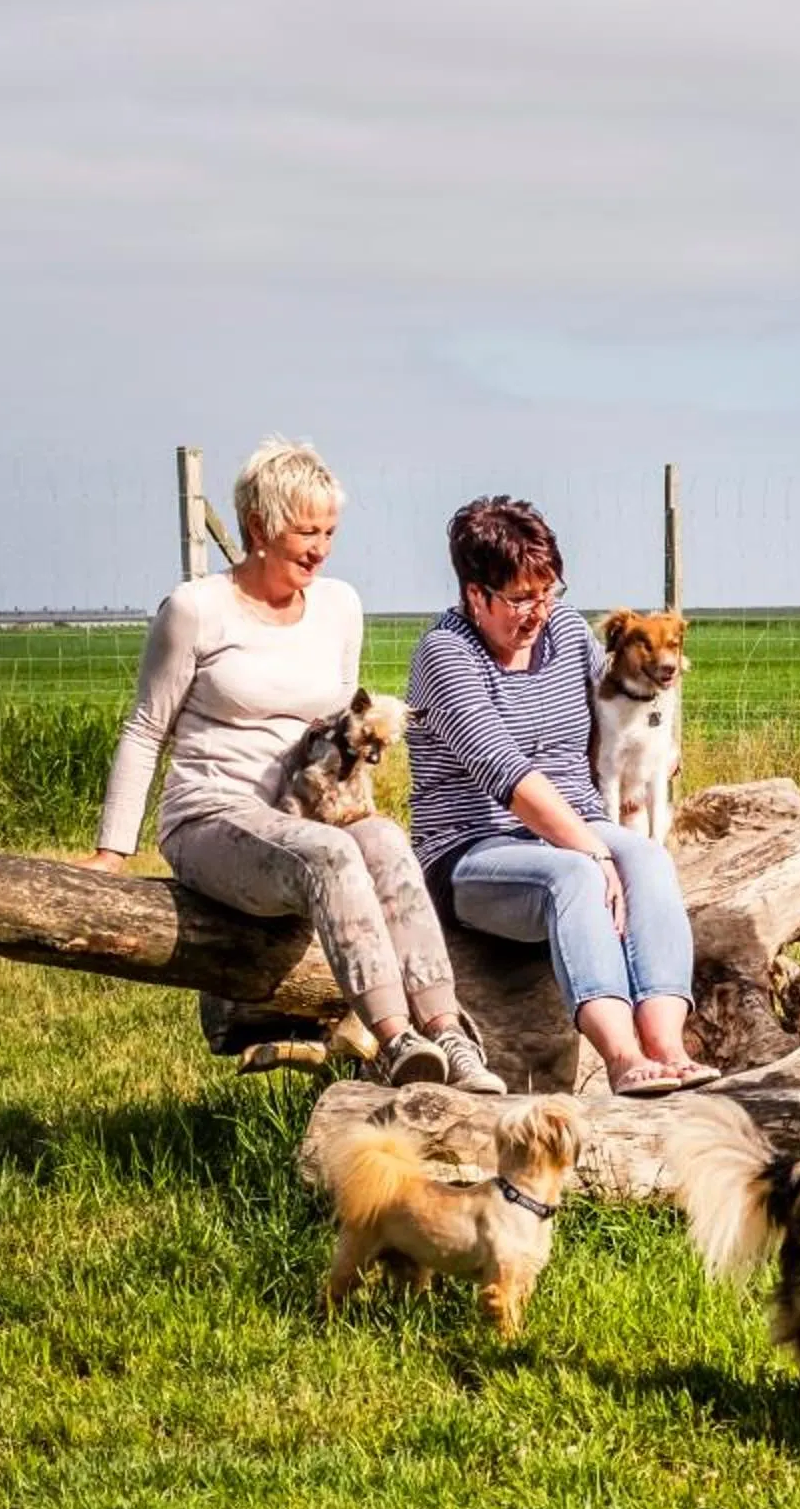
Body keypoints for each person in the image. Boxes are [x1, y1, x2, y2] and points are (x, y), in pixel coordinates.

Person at [80, 438, 499, 1093]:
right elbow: (143, 730)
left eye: (329, 531)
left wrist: (358, 792)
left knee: (386, 840)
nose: (320, 547)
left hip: (308, 809)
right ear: (259, 528)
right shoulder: (194, 610)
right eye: (305, 530)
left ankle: (448, 1032)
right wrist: (112, 853)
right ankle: (394, 1040)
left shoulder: (340, 606)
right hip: (212, 816)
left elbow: (340, 726)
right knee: (329, 855)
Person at [406, 495, 719, 1097]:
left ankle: (669, 1046)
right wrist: (594, 851)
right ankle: (623, 1057)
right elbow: (508, 776)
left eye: (546, 592)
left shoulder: (567, 631)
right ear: (476, 595)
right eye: (521, 599)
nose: (538, 612)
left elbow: (614, 706)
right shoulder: (445, 656)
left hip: (577, 823)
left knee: (649, 859)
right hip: (473, 848)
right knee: (573, 876)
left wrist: (658, 751)